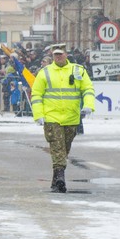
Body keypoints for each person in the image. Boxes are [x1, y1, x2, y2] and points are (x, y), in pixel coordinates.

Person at [30, 44, 95, 193]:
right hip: (52, 117)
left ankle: (56, 178)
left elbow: (88, 89)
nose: (58, 57)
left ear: (66, 55)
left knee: (64, 149)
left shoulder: (78, 70)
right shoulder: (44, 72)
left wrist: (88, 105)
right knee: (57, 147)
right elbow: (37, 95)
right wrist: (39, 115)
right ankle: (60, 177)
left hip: (71, 117)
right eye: (55, 55)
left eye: (60, 54)